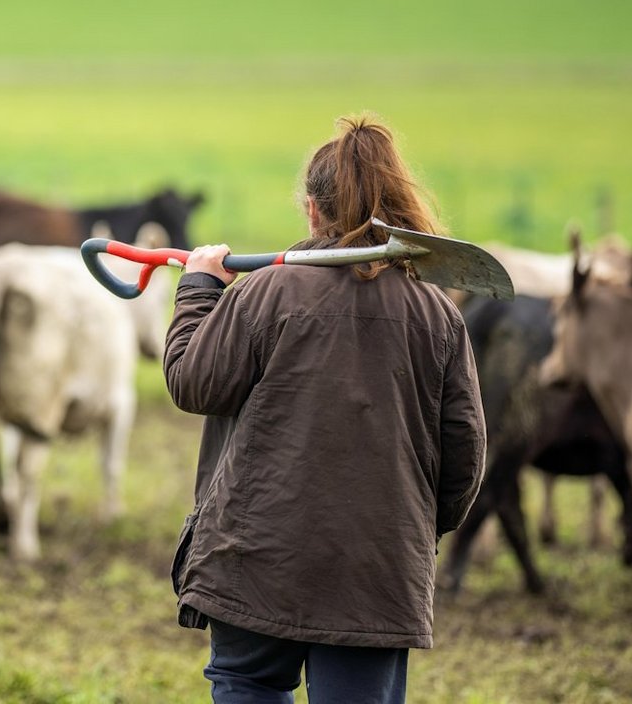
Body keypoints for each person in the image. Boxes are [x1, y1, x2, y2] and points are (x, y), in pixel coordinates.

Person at [163, 114, 487, 704]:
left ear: (312, 211)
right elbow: (464, 456)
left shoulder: (263, 293)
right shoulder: (438, 315)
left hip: (255, 560)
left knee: (247, 685)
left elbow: (191, 383)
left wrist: (198, 288)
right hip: (376, 573)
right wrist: (407, 533)